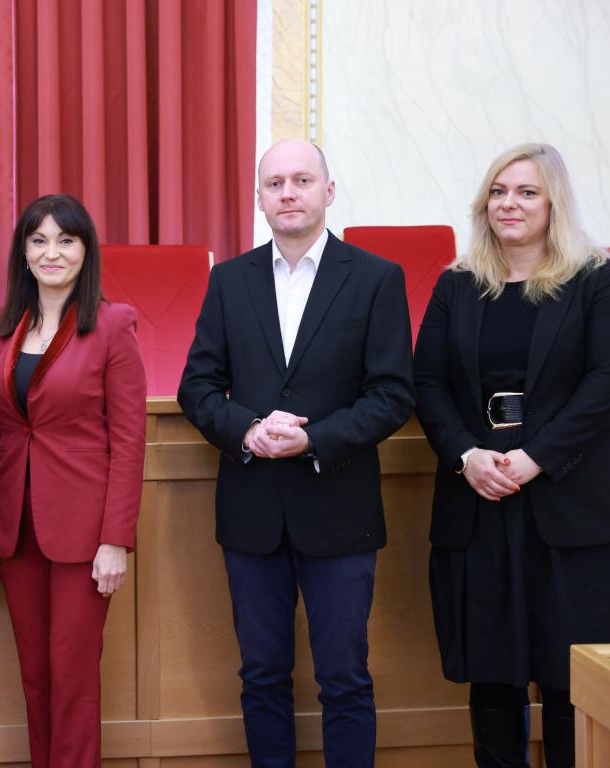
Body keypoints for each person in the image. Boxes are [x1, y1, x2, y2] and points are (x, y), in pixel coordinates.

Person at [178, 140, 415, 768]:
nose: (288, 193)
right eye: (275, 183)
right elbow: (197, 387)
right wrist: (248, 430)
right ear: (259, 198)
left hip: (340, 508)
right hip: (252, 510)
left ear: (328, 191)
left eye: (302, 180)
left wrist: (316, 439)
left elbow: (393, 393)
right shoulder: (229, 281)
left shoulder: (376, 278)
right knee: (261, 677)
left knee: (345, 680)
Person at [414, 143, 610, 768]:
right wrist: (466, 455)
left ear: (553, 203)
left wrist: (536, 457)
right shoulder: (457, 284)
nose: (508, 204)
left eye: (526, 192)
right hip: (480, 499)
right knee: (492, 676)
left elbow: (609, 381)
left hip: (573, 505)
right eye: (498, 191)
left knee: (573, 676)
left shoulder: (595, 279)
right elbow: (427, 382)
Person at [0, 194, 147, 767]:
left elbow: (129, 442)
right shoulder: (0, 325)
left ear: (85, 251)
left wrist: (115, 540)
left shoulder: (113, 324)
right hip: (15, 528)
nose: (52, 253)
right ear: (23, 252)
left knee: (73, 677)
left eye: (66, 240)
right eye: (39, 240)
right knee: (36, 675)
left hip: (84, 534)